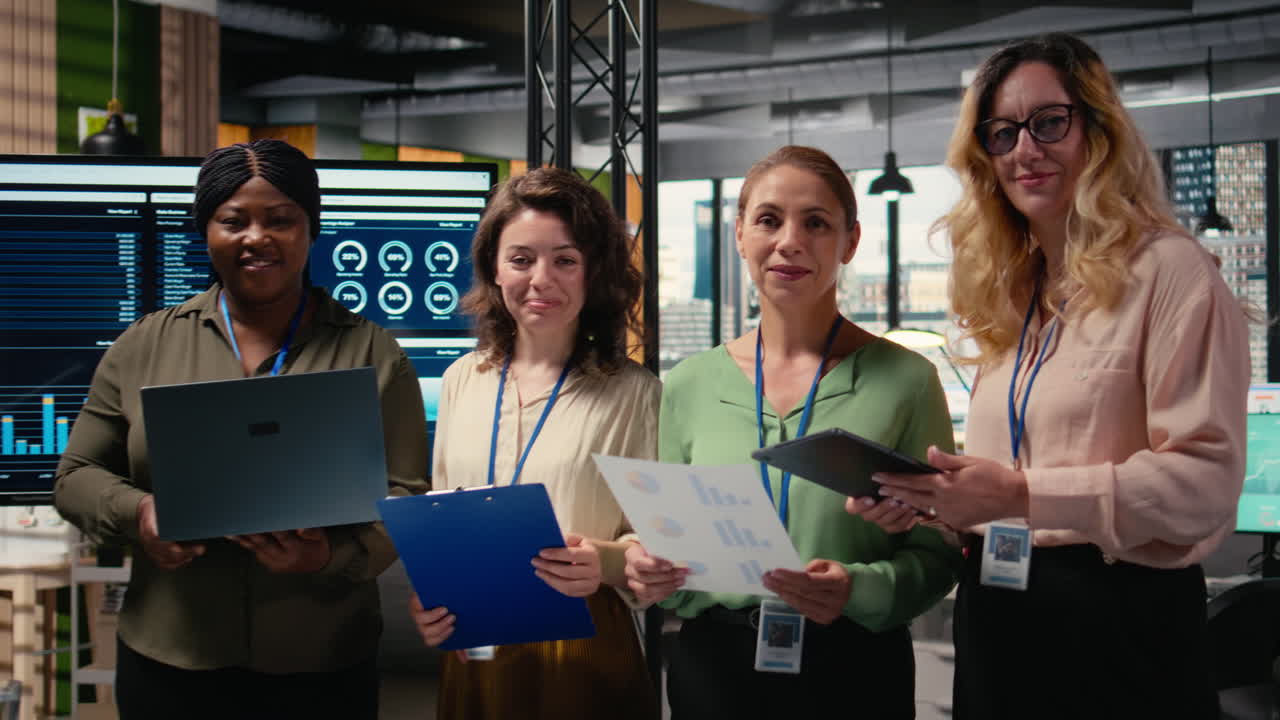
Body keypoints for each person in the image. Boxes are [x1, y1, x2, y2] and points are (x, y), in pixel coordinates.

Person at [853, 33, 1250, 718]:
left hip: (1118, 625)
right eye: (1002, 134)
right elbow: (1005, 479)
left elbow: (1206, 486)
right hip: (999, 618)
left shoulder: (1172, 272)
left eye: (1048, 123)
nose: (1024, 151)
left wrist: (1024, 493)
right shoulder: (1011, 292)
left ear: (1097, 130)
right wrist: (935, 507)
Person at [54, 139, 428, 719]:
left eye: (281, 220)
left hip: (321, 665)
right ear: (206, 231)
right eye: (234, 221)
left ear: (311, 229)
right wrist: (140, 514)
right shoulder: (144, 346)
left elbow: (406, 496)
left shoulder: (373, 353)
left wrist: (327, 556)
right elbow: (75, 475)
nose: (258, 237)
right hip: (171, 661)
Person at [623, 145, 964, 718]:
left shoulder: (907, 380)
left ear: (850, 242)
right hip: (714, 667)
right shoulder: (688, 385)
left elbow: (939, 550)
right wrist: (648, 569)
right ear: (739, 234)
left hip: (854, 663)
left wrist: (859, 588)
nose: (789, 241)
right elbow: (666, 541)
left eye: (816, 223)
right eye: (768, 219)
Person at [408, 166, 660, 720]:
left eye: (565, 260)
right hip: (474, 645)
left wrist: (607, 561)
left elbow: (659, 547)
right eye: (521, 258)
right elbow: (442, 517)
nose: (541, 278)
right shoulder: (460, 380)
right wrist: (429, 598)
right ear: (494, 269)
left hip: (583, 642)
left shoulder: (635, 392)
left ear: (593, 273)